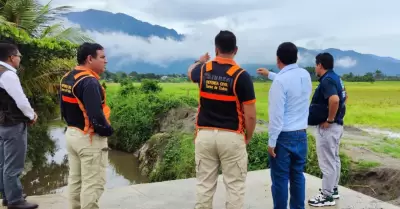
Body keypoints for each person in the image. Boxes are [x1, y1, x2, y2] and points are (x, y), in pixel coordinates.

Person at [187, 30, 257, 209]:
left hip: (205, 135)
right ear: (236, 50)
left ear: (216, 48)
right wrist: (248, 136)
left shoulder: (204, 70)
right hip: (231, 135)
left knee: (204, 184)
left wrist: (200, 60)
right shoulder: (241, 76)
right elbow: (250, 114)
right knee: (234, 186)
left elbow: (190, 73)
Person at [257, 42, 312, 209]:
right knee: (297, 176)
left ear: (278, 59)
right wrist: (271, 75)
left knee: (280, 179)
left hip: (284, 136)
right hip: (301, 134)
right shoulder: (305, 75)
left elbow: (276, 116)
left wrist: (271, 142)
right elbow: (290, 81)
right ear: (296, 57)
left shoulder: (279, 82)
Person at [60, 42, 113, 209]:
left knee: (76, 180)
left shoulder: (68, 77)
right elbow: (96, 116)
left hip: (72, 134)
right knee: (93, 183)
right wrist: (108, 131)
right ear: (90, 59)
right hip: (88, 139)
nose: (106, 61)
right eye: (102, 57)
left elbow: (63, 108)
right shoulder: (89, 82)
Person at [0, 43, 38, 209]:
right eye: (19, 56)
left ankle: (7, 196)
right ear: (11, 57)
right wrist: (31, 115)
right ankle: (15, 200)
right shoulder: (8, 75)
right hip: (13, 124)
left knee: (3, 162)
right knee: (13, 165)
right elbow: (21, 100)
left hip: (2, 124)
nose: (20, 59)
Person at [307, 52, 347, 207]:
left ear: (320, 65)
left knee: (327, 162)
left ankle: (326, 196)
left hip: (329, 128)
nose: (315, 67)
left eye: (316, 64)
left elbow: (335, 99)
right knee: (334, 159)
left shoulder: (327, 81)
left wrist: (329, 119)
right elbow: (345, 96)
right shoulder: (336, 78)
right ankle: (333, 189)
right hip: (337, 126)